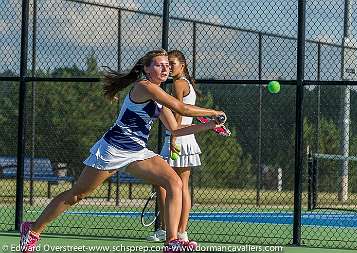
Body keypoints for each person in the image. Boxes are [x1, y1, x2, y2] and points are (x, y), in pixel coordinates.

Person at [19, 49, 226, 253]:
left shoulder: (159, 96)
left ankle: (172, 241)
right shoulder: (145, 87)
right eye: (159, 65)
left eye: (167, 65)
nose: (165, 69)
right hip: (113, 149)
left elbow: (176, 129)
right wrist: (213, 112)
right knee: (77, 195)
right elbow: (183, 109)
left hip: (137, 151)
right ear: (146, 69)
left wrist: (209, 124)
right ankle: (33, 230)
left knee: (174, 182)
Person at [147, 50, 202, 243]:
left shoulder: (179, 83)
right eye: (167, 64)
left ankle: (167, 229)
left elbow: (178, 112)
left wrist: (172, 139)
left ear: (183, 66)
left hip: (178, 137)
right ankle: (180, 231)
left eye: (172, 64)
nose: (169, 68)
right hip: (185, 137)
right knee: (179, 185)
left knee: (165, 183)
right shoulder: (186, 84)